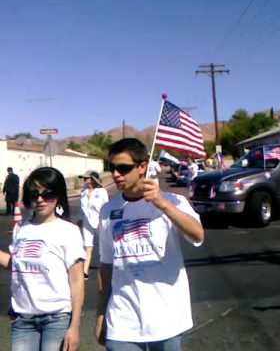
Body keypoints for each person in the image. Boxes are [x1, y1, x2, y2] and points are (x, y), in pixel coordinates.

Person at [96, 138, 205, 351]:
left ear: (142, 166)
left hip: (165, 317)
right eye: (112, 168)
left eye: (123, 168)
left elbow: (198, 234)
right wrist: (101, 314)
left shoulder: (173, 201)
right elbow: (107, 265)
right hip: (122, 318)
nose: (116, 174)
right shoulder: (107, 211)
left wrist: (162, 204)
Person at [0, 167, 85, 351]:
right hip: (23, 319)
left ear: (59, 195)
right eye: (34, 194)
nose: (40, 199)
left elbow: (77, 281)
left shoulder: (68, 231)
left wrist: (75, 326)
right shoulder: (21, 228)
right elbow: (16, 265)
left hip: (56, 318)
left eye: (48, 194)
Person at [79, 170, 109, 279]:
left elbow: (106, 207)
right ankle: (85, 272)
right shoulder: (83, 192)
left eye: (86, 178)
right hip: (87, 222)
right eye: (83, 178)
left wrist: (104, 221)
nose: (84, 180)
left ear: (92, 179)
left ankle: (105, 268)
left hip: (99, 221)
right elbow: (82, 209)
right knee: (87, 246)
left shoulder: (101, 191)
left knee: (103, 245)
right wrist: (80, 219)